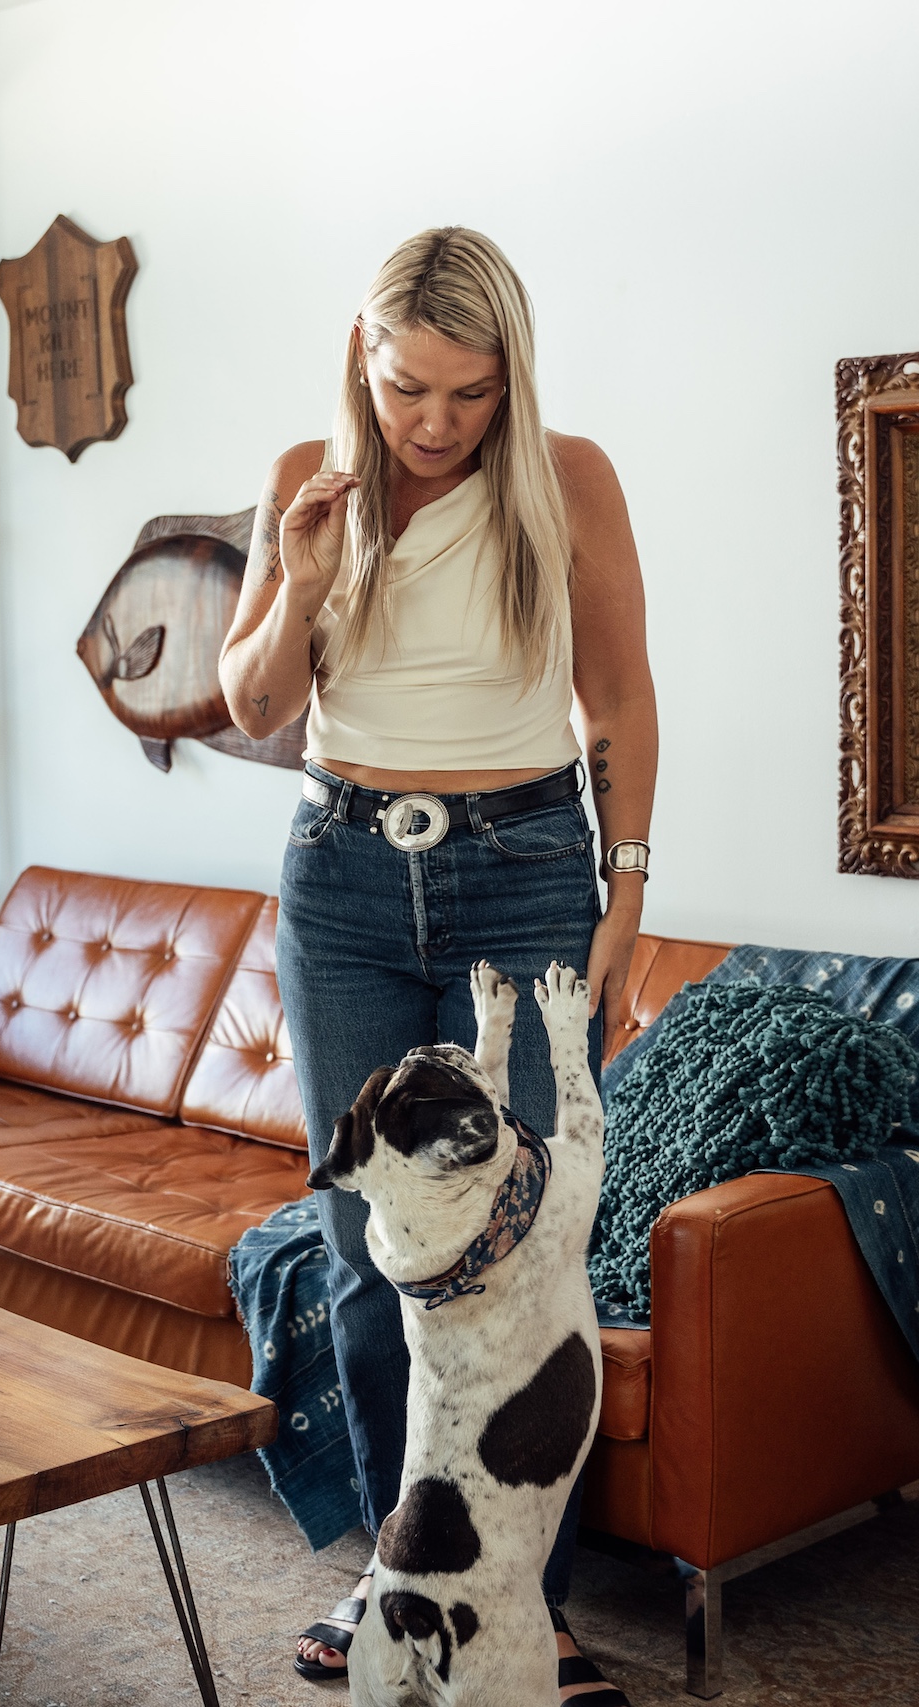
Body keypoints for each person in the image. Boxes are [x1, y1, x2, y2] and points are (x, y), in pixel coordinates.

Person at [219, 227, 655, 1700]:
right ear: (364, 356)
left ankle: (531, 1601)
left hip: (524, 869)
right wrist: (299, 579)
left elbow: (618, 696)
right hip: (342, 875)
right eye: (409, 386)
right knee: (367, 1248)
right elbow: (252, 702)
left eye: (471, 393)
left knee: (521, 1256)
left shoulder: (568, 480)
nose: (436, 420)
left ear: (509, 378)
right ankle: (393, 1569)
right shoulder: (309, 481)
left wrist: (627, 890)